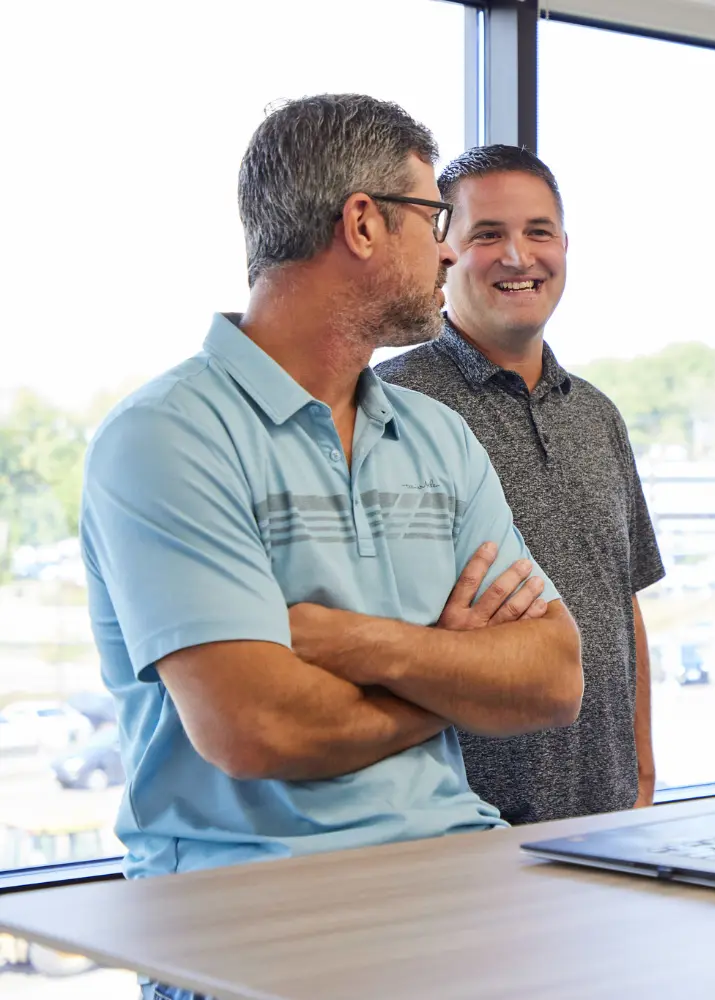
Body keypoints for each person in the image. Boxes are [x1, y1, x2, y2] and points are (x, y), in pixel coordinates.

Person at [81, 95, 584, 999]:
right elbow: (258, 726)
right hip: (248, 928)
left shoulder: (438, 438)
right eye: (434, 219)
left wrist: (352, 643)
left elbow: (553, 679)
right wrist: (455, 677)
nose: (446, 250)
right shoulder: (168, 437)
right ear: (361, 222)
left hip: (457, 894)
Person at [377, 145, 665, 823]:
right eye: (488, 235)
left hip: (608, 823)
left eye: (538, 232)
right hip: (462, 828)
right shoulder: (392, 405)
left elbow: (621, 604)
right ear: (443, 252)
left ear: (565, 245)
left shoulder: (598, 415)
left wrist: (643, 774)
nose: (518, 256)